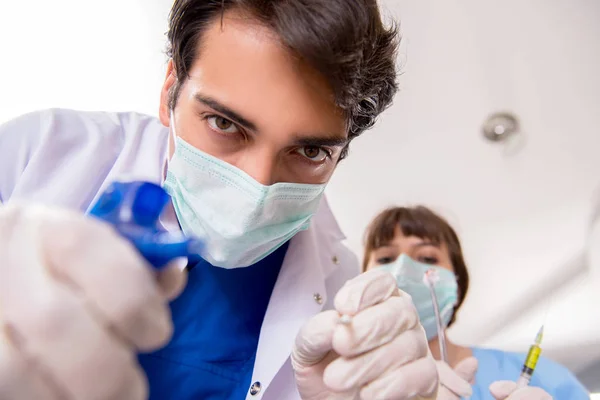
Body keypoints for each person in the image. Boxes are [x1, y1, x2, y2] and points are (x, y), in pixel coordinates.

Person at [0, 1, 441, 399]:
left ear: (340, 154)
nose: (257, 187)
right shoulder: (35, 154)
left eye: (310, 151)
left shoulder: (341, 290)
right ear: (169, 89)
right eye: (224, 124)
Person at [362, 205, 591, 400]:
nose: (403, 269)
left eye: (427, 258)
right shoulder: (343, 385)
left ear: (456, 284)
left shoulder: (545, 378)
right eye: (385, 259)